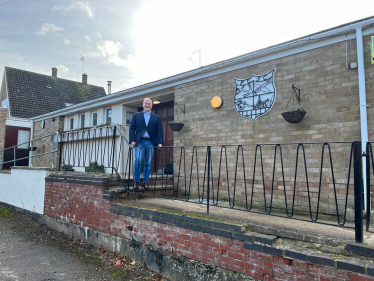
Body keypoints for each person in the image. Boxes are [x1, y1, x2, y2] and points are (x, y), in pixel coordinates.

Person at [129, 98, 163, 190]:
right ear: (143, 105)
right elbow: (132, 128)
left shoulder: (156, 117)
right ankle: (136, 181)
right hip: (139, 141)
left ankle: (145, 182)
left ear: (151, 105)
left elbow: (159, 131)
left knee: (148, 163)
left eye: (149, 104)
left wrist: (160, 142)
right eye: (146, 103)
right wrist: (132, 140)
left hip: (150, 142)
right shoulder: (137, 115)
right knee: (138, 161)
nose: (147, 105)